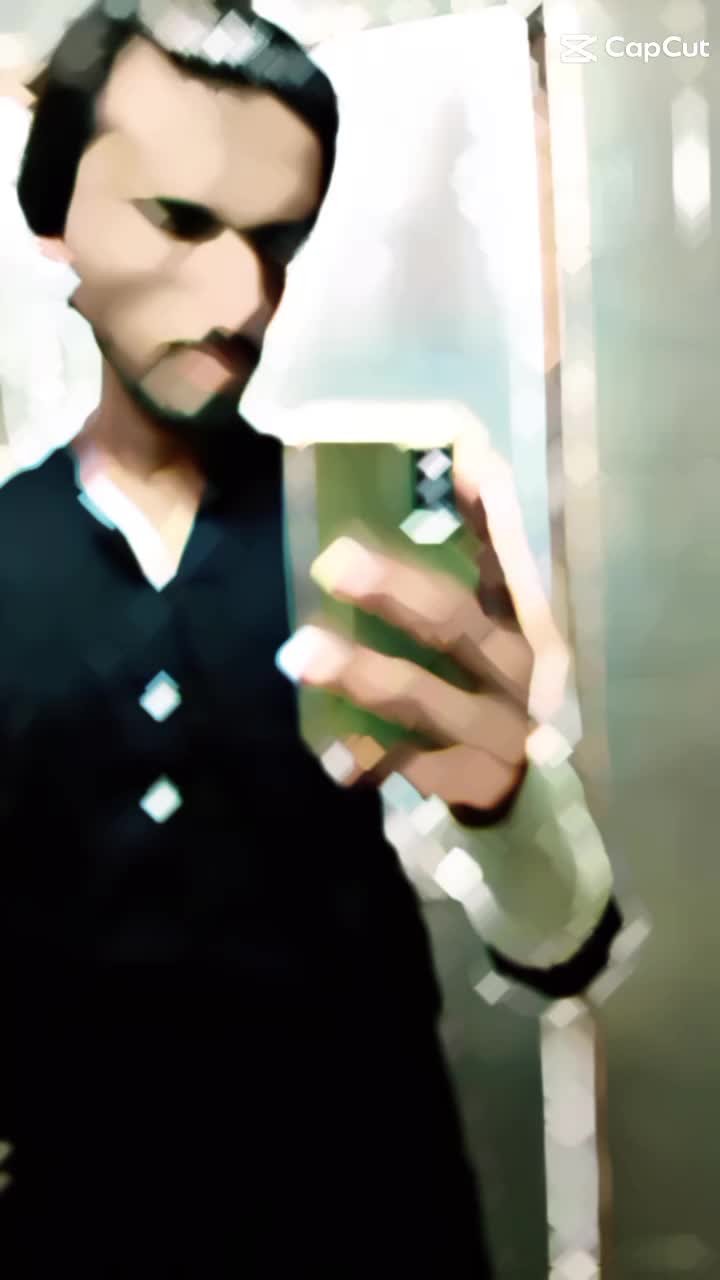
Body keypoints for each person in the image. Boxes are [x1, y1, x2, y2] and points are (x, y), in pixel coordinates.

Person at [0, 2, 622, 1275]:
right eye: (182, 220)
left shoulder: (358, 538)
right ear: (56, 219)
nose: (243, 296)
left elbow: (567, 943)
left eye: (277, 240)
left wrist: (506, 790)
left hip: (369, 1210)